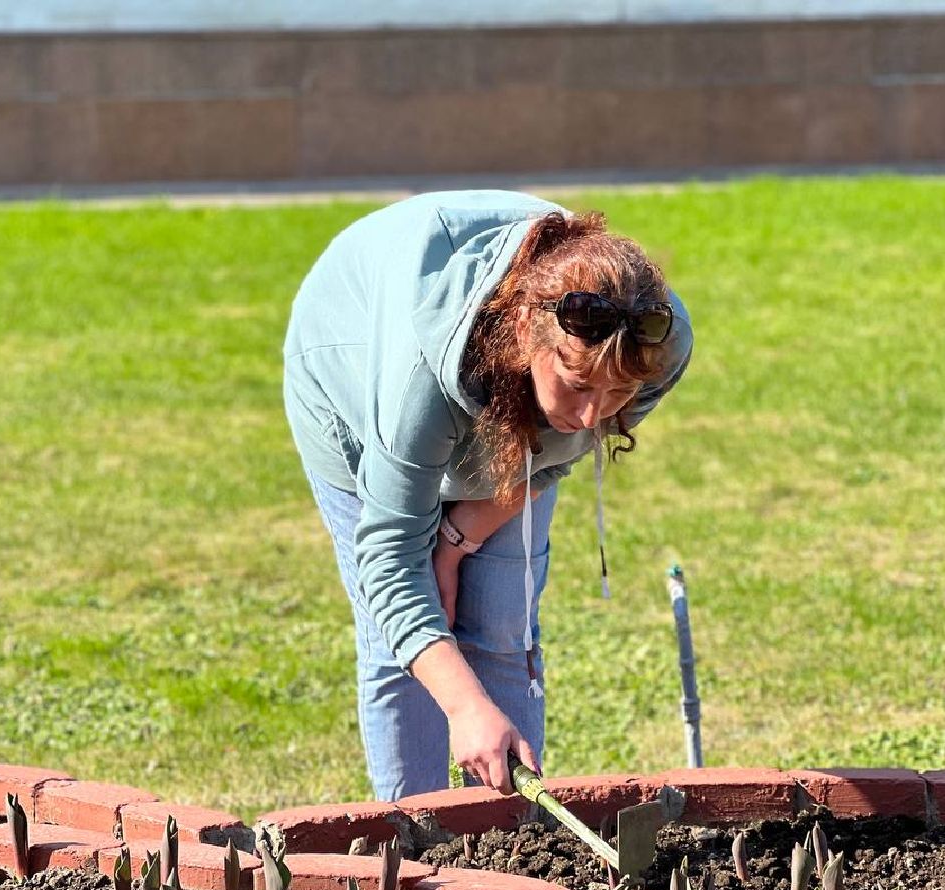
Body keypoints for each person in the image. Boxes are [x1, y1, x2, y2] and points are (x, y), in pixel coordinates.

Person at [282, 190, 692, 800]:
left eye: (615, 395)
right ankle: (414, 846)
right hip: (349, 379)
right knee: (405, 657)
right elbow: (391, 562)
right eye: (578, 385)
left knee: (502, 627)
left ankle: (512, 850)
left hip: (497, 399)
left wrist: (457, 539)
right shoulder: (418, 377)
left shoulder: (656, 343)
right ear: (528, 329)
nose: (591, 416)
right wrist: (464, 705)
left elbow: (562, 450)